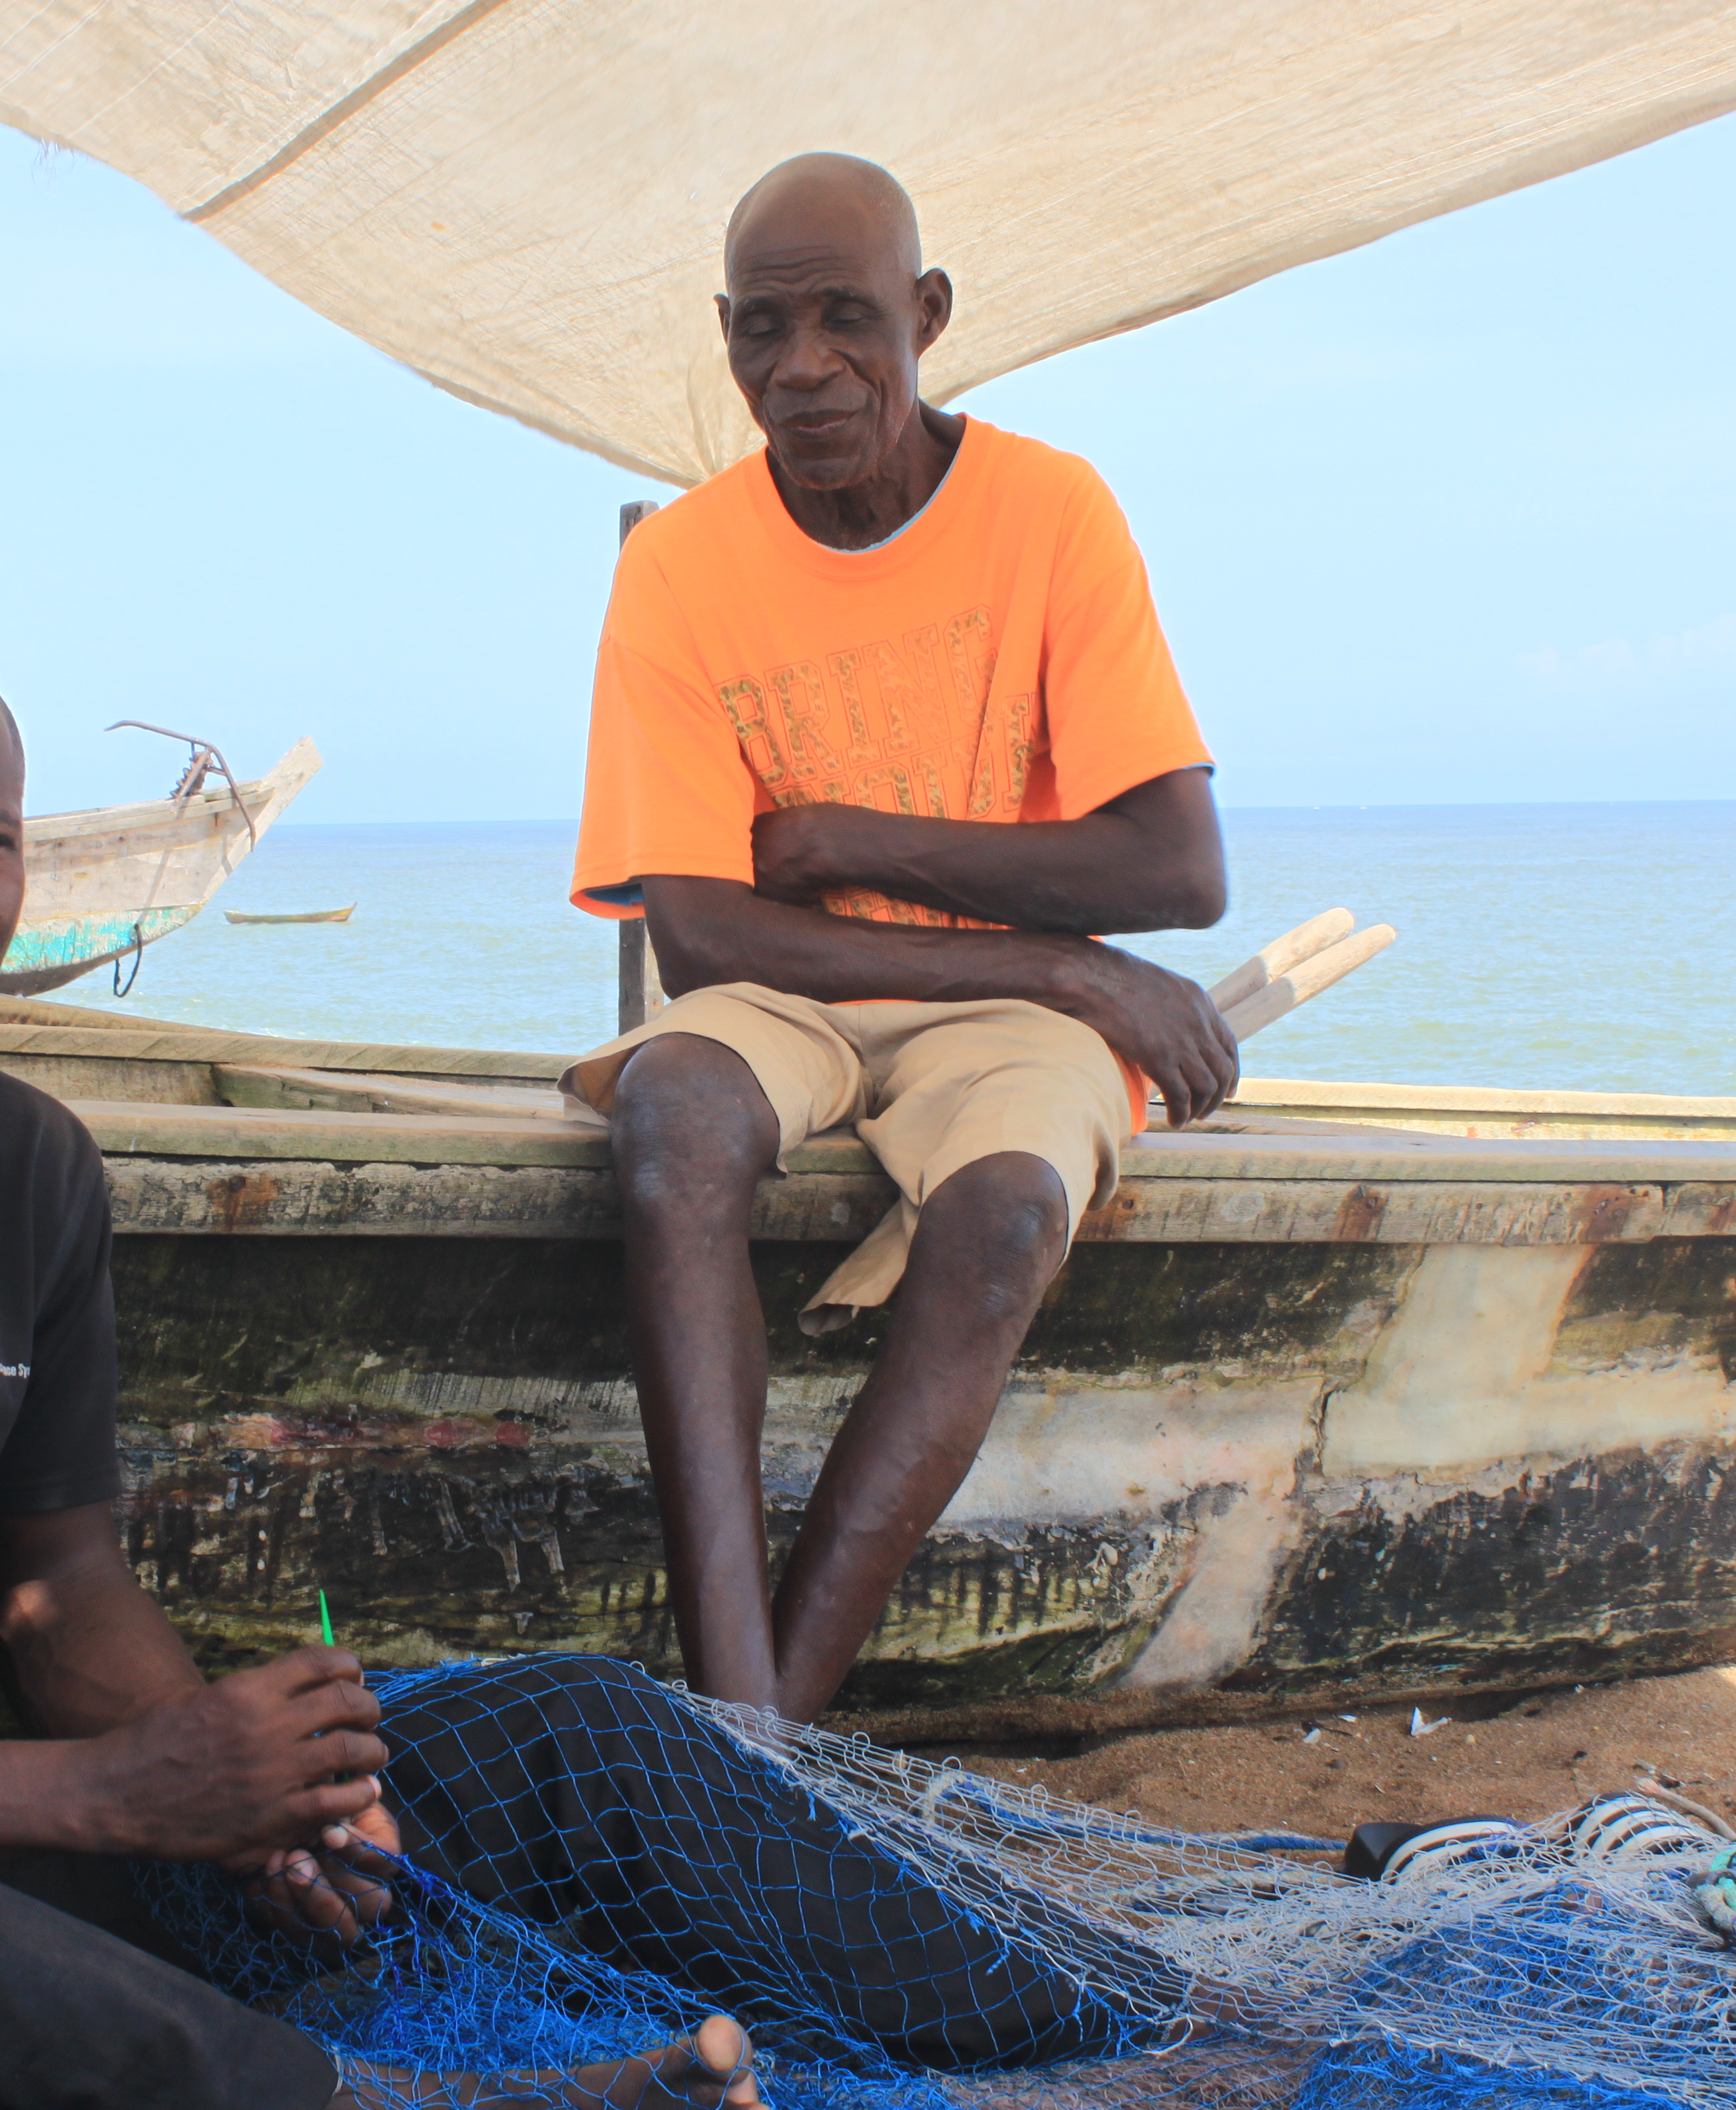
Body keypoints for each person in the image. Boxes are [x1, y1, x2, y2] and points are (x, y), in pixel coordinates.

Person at [0, 621, 1165, 2110]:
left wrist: (250, 1796)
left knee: (571, 1727)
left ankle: (1122, 2037)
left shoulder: (24, 1170)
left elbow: (60, 1588)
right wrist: (116, 1795)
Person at [563, 155, 1238, 1726]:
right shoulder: (678, 566)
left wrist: (855, 841)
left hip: (984, 1022)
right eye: (763, 331)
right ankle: (747, 1720)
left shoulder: (1050, 513)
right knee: (673, 1120)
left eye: (847, 320)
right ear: (727, 342)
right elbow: (702, 929)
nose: (804, 369)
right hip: (789, 982)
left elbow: (1179, 865)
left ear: (926, 317)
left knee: (1005, 1218)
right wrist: (1068, 963)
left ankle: (755, 1739)